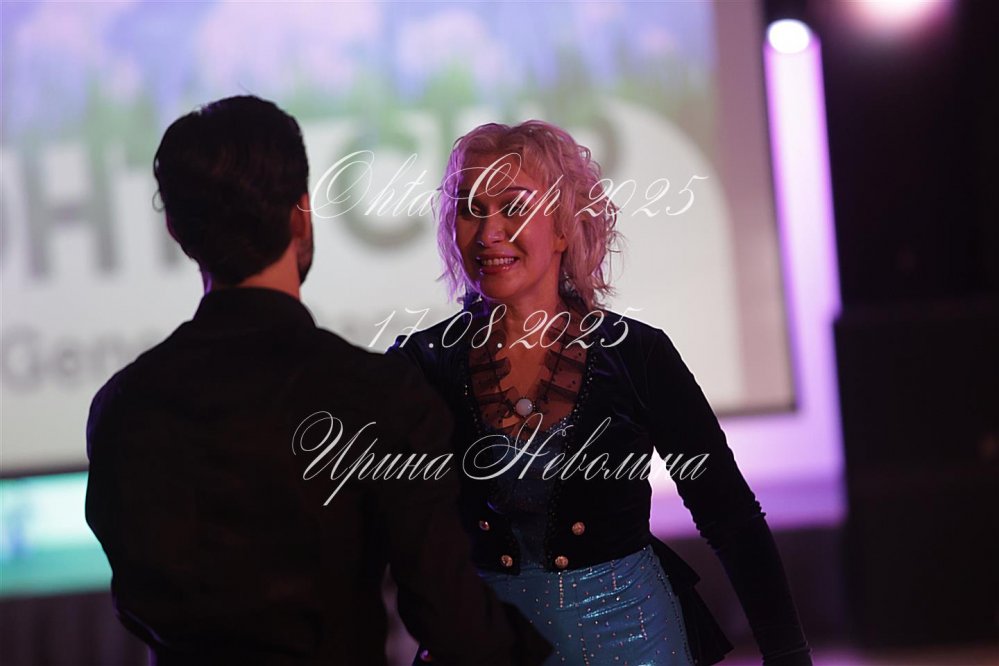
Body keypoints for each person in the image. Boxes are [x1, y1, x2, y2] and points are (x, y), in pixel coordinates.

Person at [84, 96, 551, 666]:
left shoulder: (123, 408)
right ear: (301, 215)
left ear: (177, 230)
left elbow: (137, 600)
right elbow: (450, 617)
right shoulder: (380, 399)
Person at [388, 121, 812, 665]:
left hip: (636, 648)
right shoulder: (422, 364)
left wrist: (789, 655)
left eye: (513, 207)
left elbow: (730, 517)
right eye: (471, 209)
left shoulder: (639, 356)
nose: (489, 231)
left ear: (564, 228)